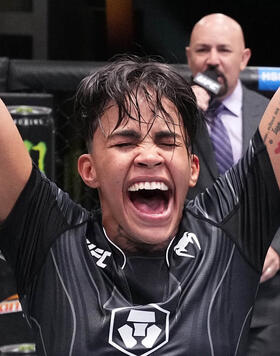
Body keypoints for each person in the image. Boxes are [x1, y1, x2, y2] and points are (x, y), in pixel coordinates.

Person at [0, 56, 280, 356]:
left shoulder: (229, 231)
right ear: (88, 170)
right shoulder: (49, 238)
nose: (149, 155)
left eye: (167, 142)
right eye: (125, 142)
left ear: (193, 168)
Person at [186, 13, 280, 355]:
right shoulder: (171, 118)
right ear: (188, 57)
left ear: (244, 58)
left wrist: (277, 248)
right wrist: (184, 117)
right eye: (203, 49)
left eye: (223, 50)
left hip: (265, 302)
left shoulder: (271, 114)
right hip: (192, 291)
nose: (212, 59)